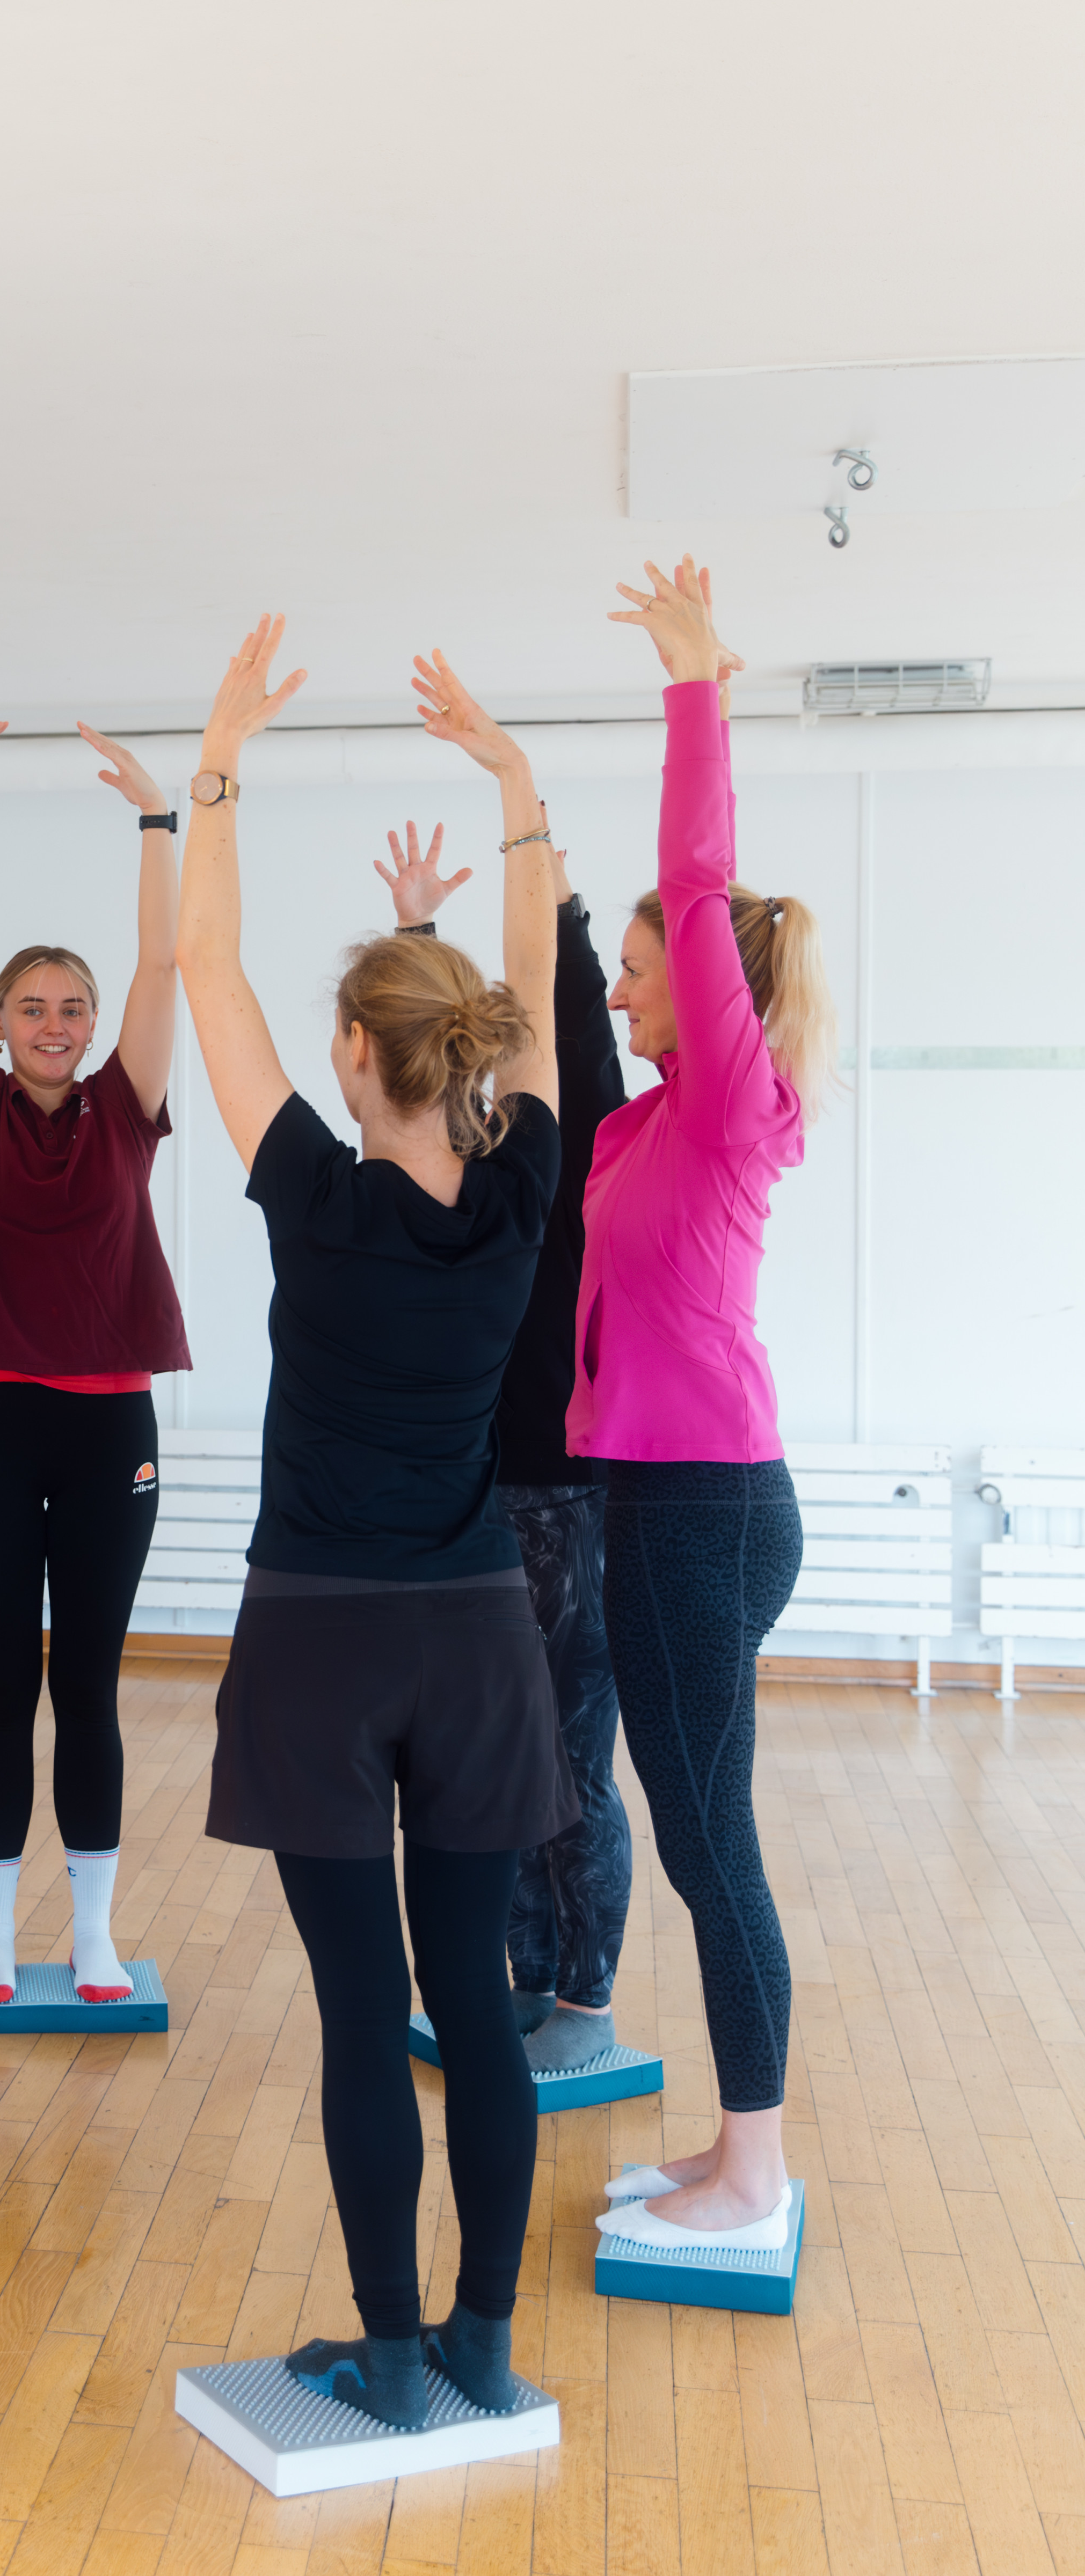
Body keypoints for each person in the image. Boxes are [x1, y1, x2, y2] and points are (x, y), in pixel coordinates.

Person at [177, 613, 575, 2431]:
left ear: (351, 1052)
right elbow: (535, 990)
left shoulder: (312, 1196)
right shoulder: (521, 1189)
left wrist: (220, 756)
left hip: (319, 1640)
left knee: (362, 2013)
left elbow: (203, 962)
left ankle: (396, 2358)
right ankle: (484, 2338)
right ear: (462, 1054)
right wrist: (511, 779)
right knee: (472, 2001)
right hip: (477, 1633)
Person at [579, 559, 834, 2251]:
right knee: (695, 1834)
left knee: (713, 1842)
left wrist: (696, 690)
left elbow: (695, 874)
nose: (620, 991)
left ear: (701, 975)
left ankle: (754, 2176)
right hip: (652, 1496)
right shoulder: (650, 1121)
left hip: (702, 1504)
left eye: (638, 968)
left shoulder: (734, 1102)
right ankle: (731, 2148)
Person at [0, 717, 190, 2003]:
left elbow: (163, 961)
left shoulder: (128, 1105)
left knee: (86, 1682)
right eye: (31, 1005)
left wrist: (158, 820)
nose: (54, 1021)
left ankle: (91, 1936)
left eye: (72, 1006)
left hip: (107, 1431)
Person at [376, 802, 633, 2074]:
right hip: (476, 1496)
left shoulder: (566, 1148)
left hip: (571, 1488)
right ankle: (526, 1981)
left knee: (572, 1754)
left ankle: (585, 1999)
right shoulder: (459, 1154)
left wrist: (566, 911)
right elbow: (412, 1055)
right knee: (489, 1762)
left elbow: (569, 1022)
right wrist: (420, 929)